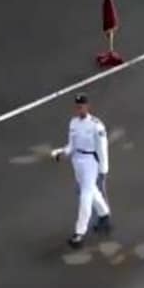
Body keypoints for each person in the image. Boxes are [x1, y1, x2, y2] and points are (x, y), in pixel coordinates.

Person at [49, 94, 111, 249]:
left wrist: (103, 169)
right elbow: (71, 144)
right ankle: (104, 216)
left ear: (88, 106)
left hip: (91, 162)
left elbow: (102, 149)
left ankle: (79, 233)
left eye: (82, 106)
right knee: (90, 190)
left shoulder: (96, 125)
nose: (79, 109)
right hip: (77, 161)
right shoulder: (74, 123)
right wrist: (62, 153)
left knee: (86, 195)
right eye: (77, 106)